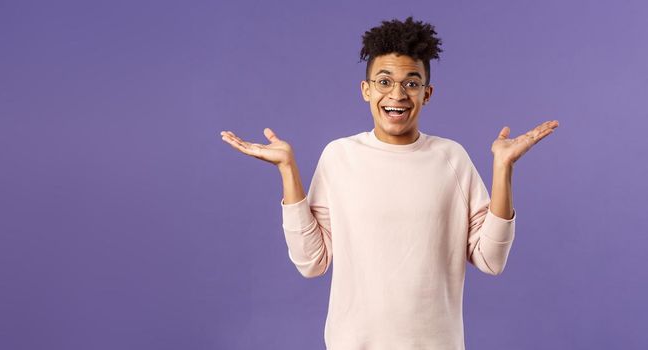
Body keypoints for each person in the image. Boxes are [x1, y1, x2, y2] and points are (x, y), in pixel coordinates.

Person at [219, 16, 559, 349]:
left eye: (411, 83)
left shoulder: (451, 158)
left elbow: (491, 260)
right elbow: (312, 261)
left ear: (427, 93)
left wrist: (503, 168)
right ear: (366, 90)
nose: (397, 94)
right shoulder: (340, 157)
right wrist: (288, 170)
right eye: (384, 81)